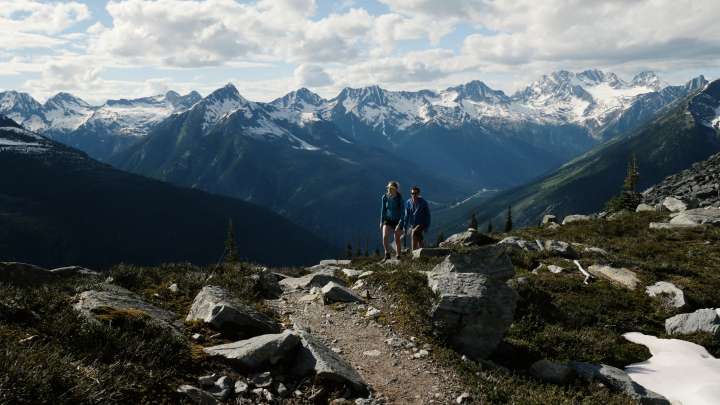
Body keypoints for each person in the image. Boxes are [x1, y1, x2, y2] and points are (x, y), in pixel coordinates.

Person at [380, 181, 404, 260]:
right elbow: (383, 210)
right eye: (389, 188)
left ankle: (399, 255)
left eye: (392, 188)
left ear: (396, 189)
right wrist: (381, 221)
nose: (390, 190)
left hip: (397, 220)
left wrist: (400, 224)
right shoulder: (385, 197)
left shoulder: (399, 198)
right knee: (385, 236)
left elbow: (402, 212)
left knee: (396, 238)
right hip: (388, 219)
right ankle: (387, 253)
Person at [402, 186, 431, 250]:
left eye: (415, 193)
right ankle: (423, 253)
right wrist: (405, 226)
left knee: (413, 233)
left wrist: (427, 226)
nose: (414, 195)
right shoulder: (408, 202)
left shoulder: (423, 202)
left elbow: (428, 215)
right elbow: (406, 215)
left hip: (421, 224)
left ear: (418, 194)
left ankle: (413, 253)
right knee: (419, 240)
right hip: (413, 224)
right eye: (412, 193)